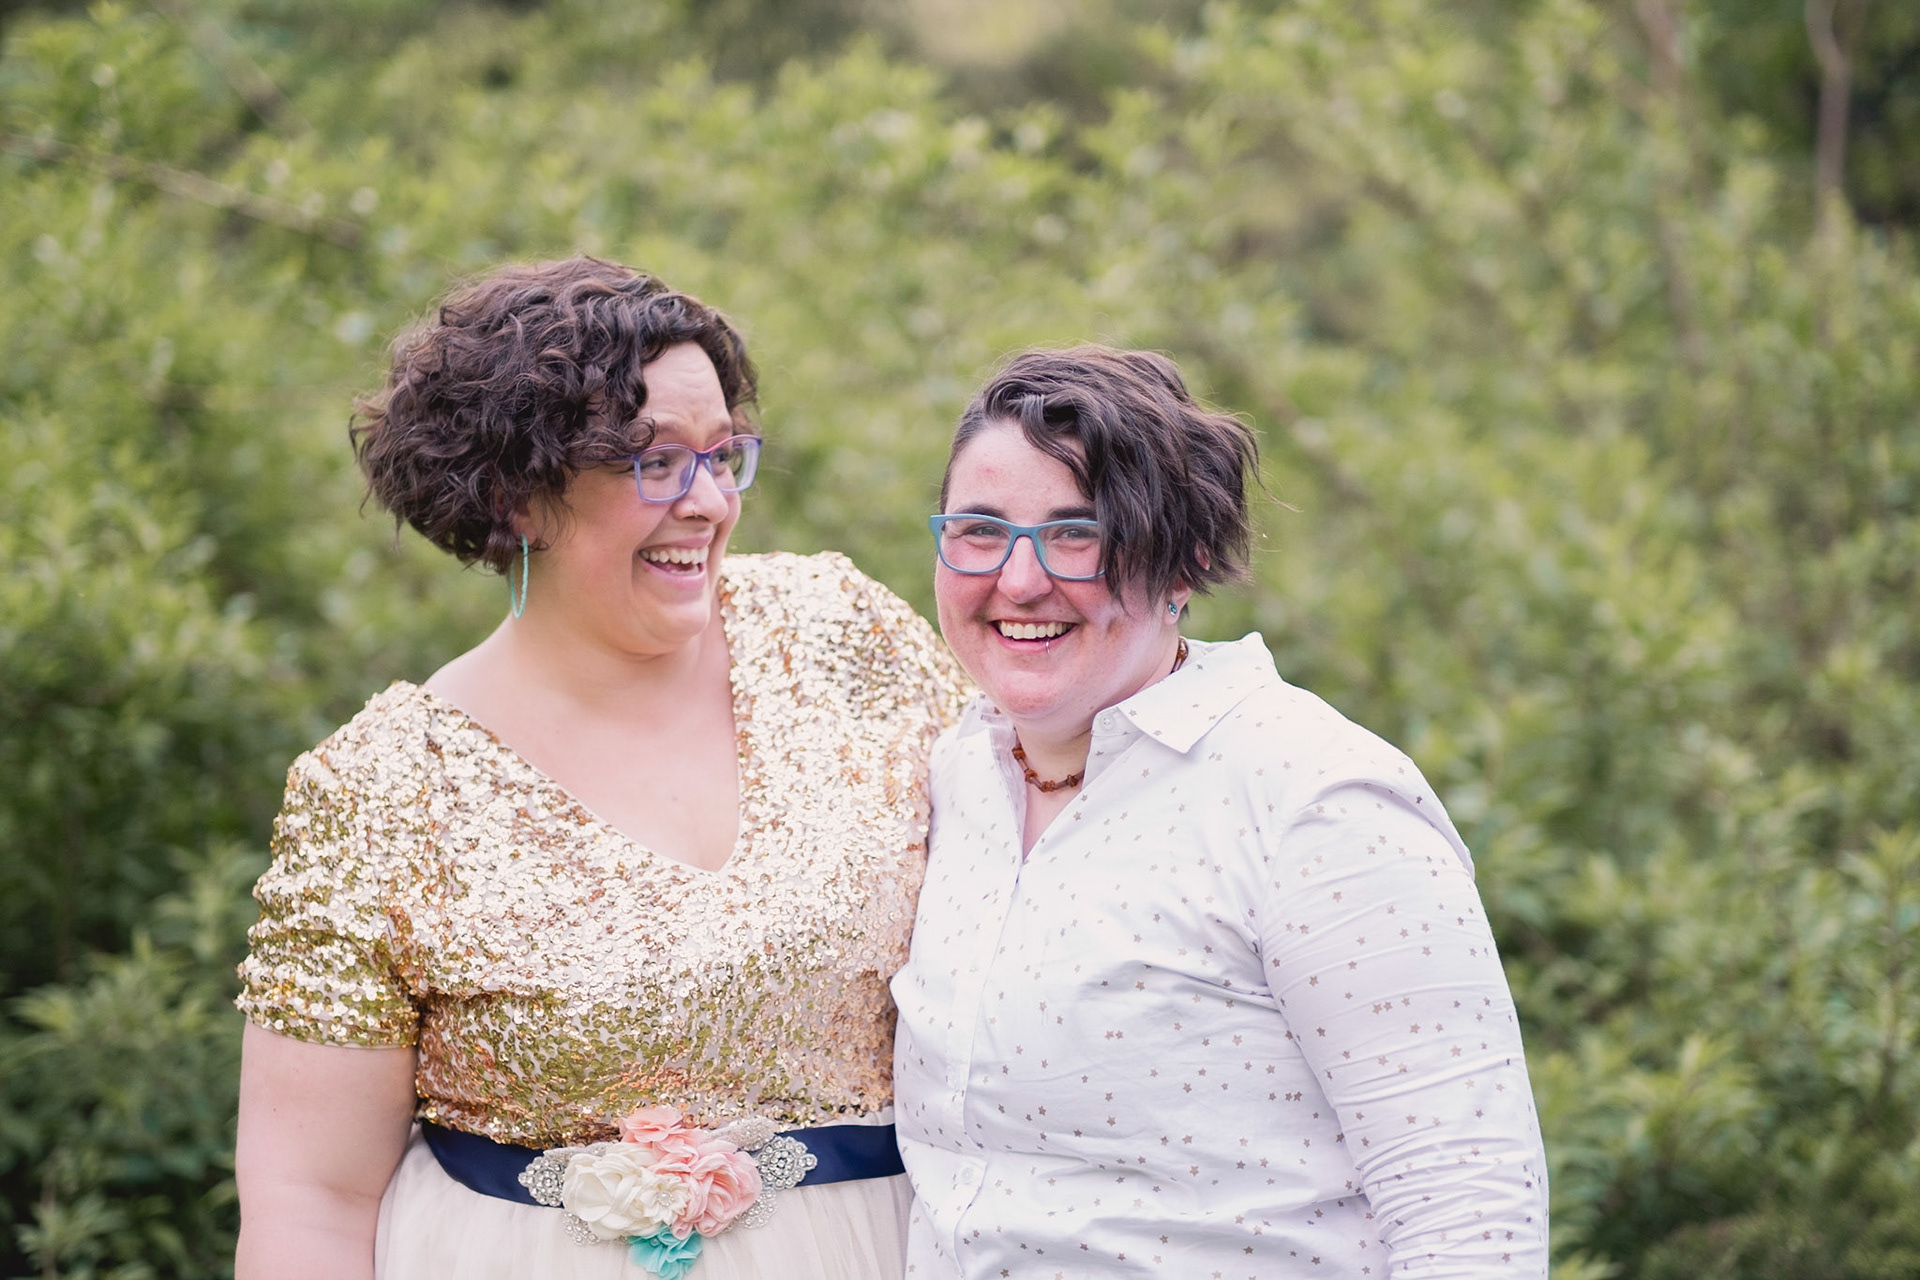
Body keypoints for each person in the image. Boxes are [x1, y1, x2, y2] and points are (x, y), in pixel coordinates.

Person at [233, 257, 966, 1280]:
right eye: (653, 460)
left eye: (723, 455)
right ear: (514, 493)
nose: (708, 501)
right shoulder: (383, 788)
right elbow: (311, 1196)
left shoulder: (842, 630)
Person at [892, 346, 1549, 1277]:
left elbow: (1470, 1219)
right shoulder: (948, 777)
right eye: (980, 530)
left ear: (1186, 563)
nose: (1021, 579)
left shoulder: (1314, 798)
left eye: (1078, 533)